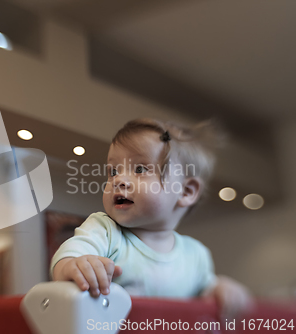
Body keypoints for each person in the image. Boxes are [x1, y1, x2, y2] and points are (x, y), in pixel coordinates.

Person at [51, 118, 253, 319]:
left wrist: (221, 288)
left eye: (140, 169)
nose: (118, 180)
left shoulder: (196, 255)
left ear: (185, 191)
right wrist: (73, 265)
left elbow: (205, 298)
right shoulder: (104, 231)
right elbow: (67, 259)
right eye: (113, 171)